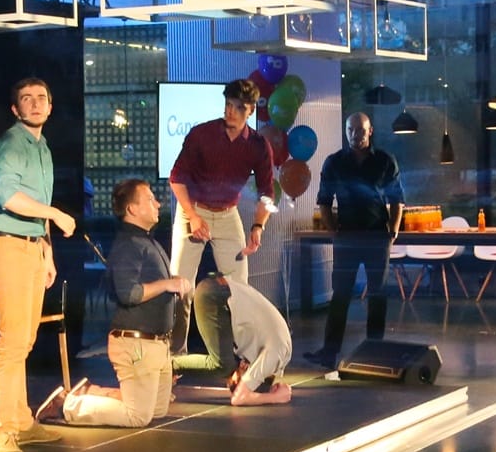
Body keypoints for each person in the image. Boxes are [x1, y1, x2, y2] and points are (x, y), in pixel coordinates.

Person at [0, 77, 79, 452]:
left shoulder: (42, 147)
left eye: (41, 98)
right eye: (27, 98)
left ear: (50, 107)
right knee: (12, 340)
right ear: (15, 108)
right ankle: (4, 431)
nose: (35, 104)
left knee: (25, 340)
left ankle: (21, 421)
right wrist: (55, 214)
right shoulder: (11, 144)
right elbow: (8, 196)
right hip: (6, 244)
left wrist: (47, 251)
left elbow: (37, 203)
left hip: (32, 247)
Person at [39, 179, 187, 429]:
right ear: (132, 209)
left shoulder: (146, 242)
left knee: (157, 410)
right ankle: (67, 405)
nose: (157, 204)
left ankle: (90, 392)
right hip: (137, 344)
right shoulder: (129, 245)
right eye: (150, 199)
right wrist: (166, 284)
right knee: (138, 416)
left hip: (156, 345)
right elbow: (128, 293)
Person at [167, 78, 276, 348]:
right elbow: (176, 178)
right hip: (192, 210)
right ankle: (173, 355)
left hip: (228, 214)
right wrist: (192, 216)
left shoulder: (258, 145)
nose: (230, 111)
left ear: (250, 110)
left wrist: (258, 226)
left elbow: (267, 193)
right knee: (180, 286)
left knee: (239, 289)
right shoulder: (201, 134)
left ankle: (243, 353)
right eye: (228, 104)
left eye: (238, 107)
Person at [302, 111, 404, 369]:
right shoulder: (334, 162)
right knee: (341, 295)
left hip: (376, 235)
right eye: (350, 130)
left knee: (377, 295)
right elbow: (324, 201)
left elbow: (396, 199)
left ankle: (375, 351)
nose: (354, 135)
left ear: (370, 131)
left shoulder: (384, 160)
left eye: (359, 130)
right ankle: (329, 352)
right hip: (347, 236)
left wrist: (393, 231)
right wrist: (334, 231)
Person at [193, 274, 293, 406]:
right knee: (223, 366)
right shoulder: (275, 355)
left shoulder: (276, 354)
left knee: (224, 358)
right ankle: (172, 365)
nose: (241, 365)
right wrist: (275, 397)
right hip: (214, 295)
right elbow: (238, 398)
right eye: (236, 378)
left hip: (216, 290)